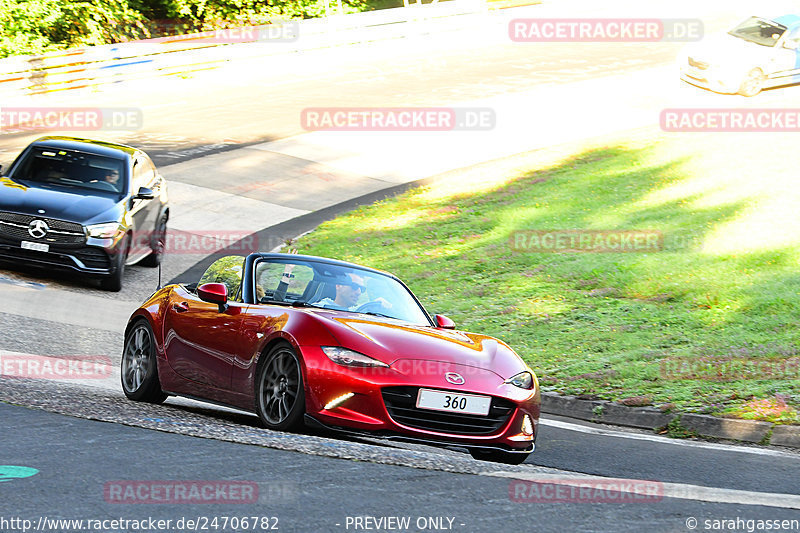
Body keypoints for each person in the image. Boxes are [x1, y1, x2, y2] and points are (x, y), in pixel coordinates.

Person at [316, 272, 391, 311]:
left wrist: (379, 302)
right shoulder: (319, 308)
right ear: (339, 286)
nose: (358, 292)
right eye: (354, 286)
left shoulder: (357, 311)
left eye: (361, 289)